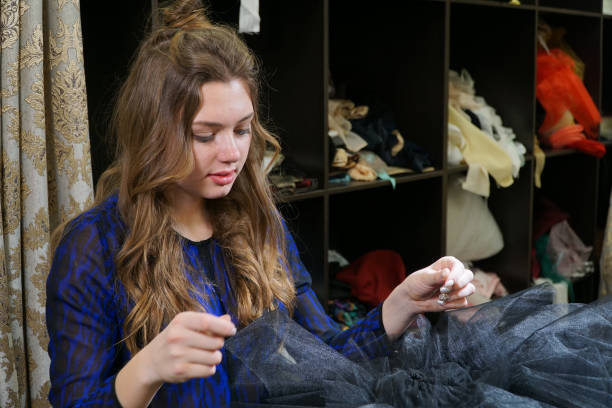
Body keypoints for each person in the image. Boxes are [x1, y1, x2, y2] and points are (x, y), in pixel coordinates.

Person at [46, 1, 476, 407]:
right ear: (153, 132)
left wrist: (402, 303)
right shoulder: (94, 245)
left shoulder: (258, 222)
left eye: (242, 129)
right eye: (205, 134)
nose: (232, 153)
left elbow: (325, 357)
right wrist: (146, 370)